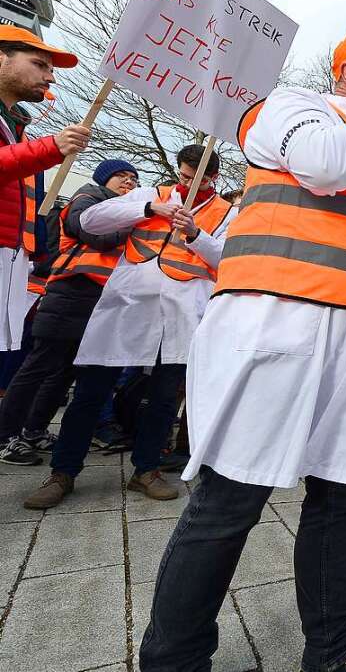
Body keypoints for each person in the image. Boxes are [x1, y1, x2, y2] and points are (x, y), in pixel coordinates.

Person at [139, 26, 346, 672]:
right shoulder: (294, 108)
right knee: (231, 498)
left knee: (339, 499)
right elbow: (321, 163)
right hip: (279, 325)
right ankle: (174, 659)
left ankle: (335, 653)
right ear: (344, 74)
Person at [23, 145, 234, 510]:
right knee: (90, 391)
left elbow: (229, 259)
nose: (185, 183)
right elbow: (90, 221)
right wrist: (149, 209)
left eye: (193, 177)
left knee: (164, 398)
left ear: (212, 177)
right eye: (182, 175)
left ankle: (146, 469)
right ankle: (63, 471)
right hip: (127, 308)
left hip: (182, 314)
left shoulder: (227, 212)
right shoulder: (150, 195)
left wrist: (197, 235)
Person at [0, 160, 138, 466]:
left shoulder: (119, 209)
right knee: (37, 368)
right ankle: (5, 435)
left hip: (96, 299)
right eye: (121, 176)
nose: (128, 183)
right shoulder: (88, 198)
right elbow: (94, 236)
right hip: (70, 293)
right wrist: (132, 227)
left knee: (63, 373)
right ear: (104, 179)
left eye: (133, 179)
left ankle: (34, 430)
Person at [0, 26, 90, 354]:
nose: (50, 78)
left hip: (11, 256)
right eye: (40, 64)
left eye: (51, 70)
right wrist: (50, 147)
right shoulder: (24, 135)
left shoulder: (16, 127)